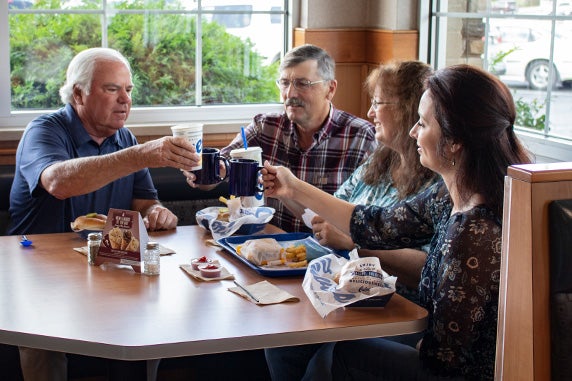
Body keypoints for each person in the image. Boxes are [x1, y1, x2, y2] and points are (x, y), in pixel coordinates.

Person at [262, 64, 533, 380]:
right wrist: (293, 187)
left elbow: (446, 356)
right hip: (431, 345)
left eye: (423, 123)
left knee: (338, 356)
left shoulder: (474, 232)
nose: (414, 131)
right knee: (304, 343)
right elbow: (374, 225)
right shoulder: (448, 197)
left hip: (453, 371)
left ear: (455, 141)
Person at [8, 47, 200, 380]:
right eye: (112, 89)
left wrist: (157, 213)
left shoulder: (124, 138)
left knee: (150, 323)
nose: (125, 100)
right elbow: (58, 181)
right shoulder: (44, 131)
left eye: (128, 90)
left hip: (105, 270)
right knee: (43, 339)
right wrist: (140, 154)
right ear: (78, 93)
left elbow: (145, 203)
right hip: (38, 271)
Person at [263, 60, 439, 381]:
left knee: (324, 364)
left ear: (409, 110)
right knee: (281, 339)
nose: (370, 112)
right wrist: (285, 191)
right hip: (344, 296)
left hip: (397, 308)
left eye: (378, 103)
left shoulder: (437, 183)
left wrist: (357, 244)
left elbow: (426, 269)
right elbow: (329, 216)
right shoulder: (379, 162)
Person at [185, 44, 377, 233]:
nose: (290, 94)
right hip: (268, 252)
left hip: (332, 258)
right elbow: (220, 168)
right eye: (285, 83)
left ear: (330, 89)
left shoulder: (361, 138)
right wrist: (202, 170)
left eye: (303, 84)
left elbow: (366, 224)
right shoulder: (265, 126)